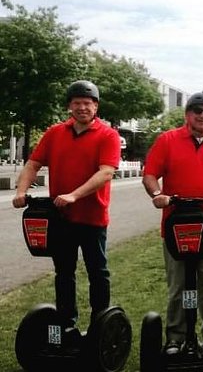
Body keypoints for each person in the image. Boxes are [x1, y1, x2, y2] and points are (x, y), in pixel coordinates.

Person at [12, 80, 121, 334]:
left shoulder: (108, 135)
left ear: (96, 106)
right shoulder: (55, 133)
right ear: (69, 107)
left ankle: (100, 324)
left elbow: (106, 173)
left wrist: (74, 195)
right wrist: (20, 191)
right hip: (60, 218)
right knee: (63, 272)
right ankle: (66, 324)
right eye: (77, 103)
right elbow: (32, 164)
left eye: (87, 103)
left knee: (98, 271)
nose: (82, 108)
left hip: (92, 217)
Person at [142, 91, 203, 356]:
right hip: (177, 224)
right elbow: (150, 174)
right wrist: (156, 194)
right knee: (178, 285)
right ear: (188, 114)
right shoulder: (167, 140)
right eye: (198, 111)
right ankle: (176, 335)